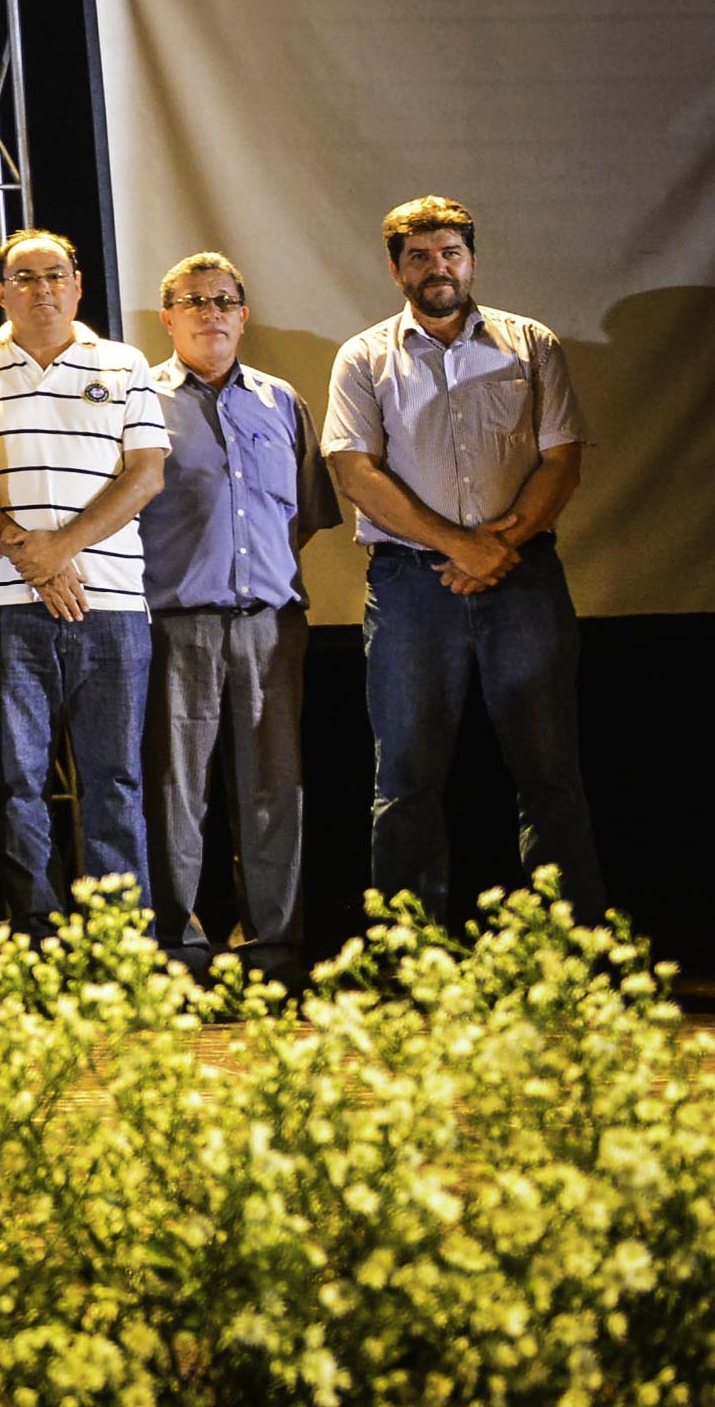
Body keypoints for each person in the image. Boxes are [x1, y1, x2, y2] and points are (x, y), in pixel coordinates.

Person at [323, 196, 603, 915]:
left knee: (549, 772)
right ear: (395, 270)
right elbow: (354, 472)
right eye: (418, 257)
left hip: (523, 578)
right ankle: (411, 951)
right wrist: (461, 548)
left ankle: (566, 942)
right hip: (408, 585)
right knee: (405, 778)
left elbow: (563, 459)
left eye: (450, 253)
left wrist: (496, 550)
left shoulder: (530, 343)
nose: (436, 268)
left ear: (471, 261)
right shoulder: (363, 356)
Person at [0, 229, 168, 934]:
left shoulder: (124, 363)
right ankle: (36, 935)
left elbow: (146, 475)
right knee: (18, 782)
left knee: (115, 778)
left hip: (112, 601)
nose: (41, 288)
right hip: (8, 600)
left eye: (54, 275)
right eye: (24, 277)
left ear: (76, 286)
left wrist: (61, 549)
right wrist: (25, 553)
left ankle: (118, 940)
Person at [137, 253, 338, 976]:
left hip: (270, 627)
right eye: (193, 301)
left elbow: (304, 515)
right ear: (168, 317)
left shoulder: (282, 401)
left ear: (243, 315)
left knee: (273, 791)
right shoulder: (139, 399)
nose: (210, 313)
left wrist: (246, 569)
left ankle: (271, 948)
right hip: (175, 626)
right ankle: (177, 950)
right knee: (173, 794)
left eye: (223, 300)